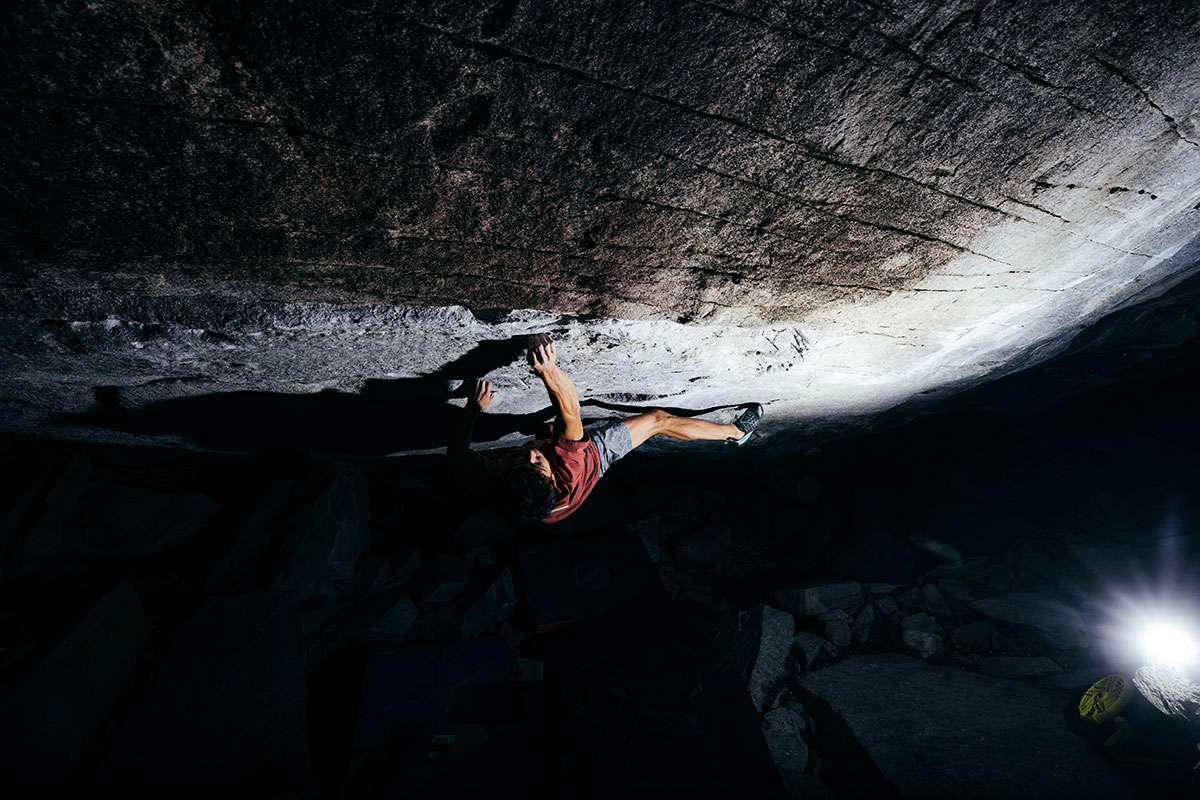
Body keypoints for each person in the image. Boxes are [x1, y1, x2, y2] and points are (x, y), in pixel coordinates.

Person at [446, 334, 764, 524]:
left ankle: (546, 436)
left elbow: (456, 454)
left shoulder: (494, 483)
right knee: (657, 420)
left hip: (541, 506)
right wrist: (548, 369)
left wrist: (473, 408)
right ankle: (735, 433)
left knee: (546, 434)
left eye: (526, 459)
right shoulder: (571, 467)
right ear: (553, 476)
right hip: (593, 462)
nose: (530, 454)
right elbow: (570, 408)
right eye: (537, 462)